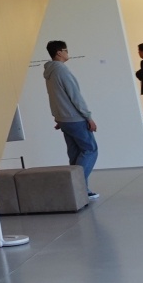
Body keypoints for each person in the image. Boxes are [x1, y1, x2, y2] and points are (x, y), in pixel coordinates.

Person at [43, 40, 100, 201]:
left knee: (75, 154)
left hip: (64, 119)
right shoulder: (61, 70)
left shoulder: (50, 72)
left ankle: (82, 190)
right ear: (59, 52)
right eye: (66, 50)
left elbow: (54, 97)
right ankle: (76, 186)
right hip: (75, 119)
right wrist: (88, 117)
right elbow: (75, 96)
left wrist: (59, 117)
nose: (68, 53)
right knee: (90, 150)